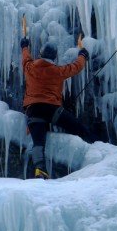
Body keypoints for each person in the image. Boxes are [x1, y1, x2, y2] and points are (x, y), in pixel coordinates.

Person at [20, 35, 94, 179]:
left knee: (38, 142)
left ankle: (40, 169)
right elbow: (76, 67)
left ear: (40, 54)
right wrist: (82, 55)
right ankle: (95, 144)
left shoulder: (29, 68)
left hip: (34, 110)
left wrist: (24, 46)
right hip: (52, 109)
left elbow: (25, 58)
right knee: (77, 126)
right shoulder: (58, 71)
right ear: (54, 57)